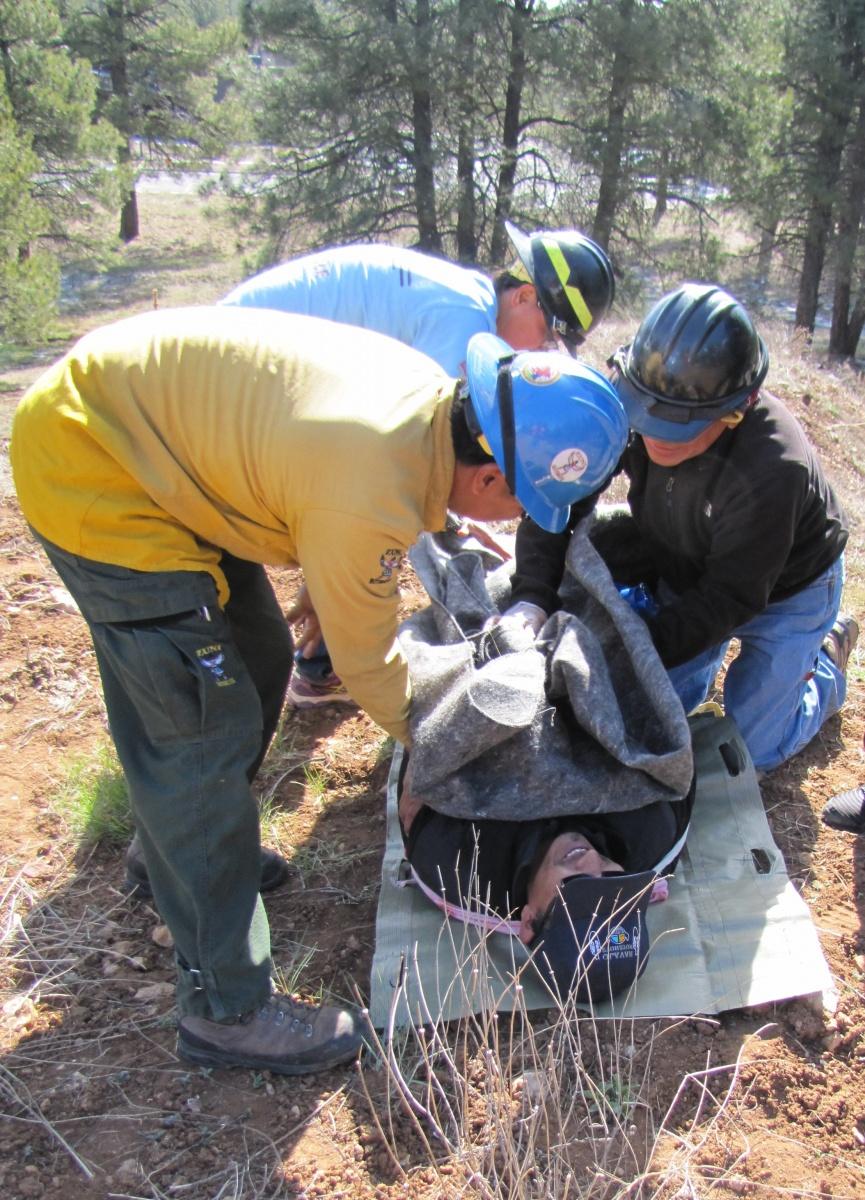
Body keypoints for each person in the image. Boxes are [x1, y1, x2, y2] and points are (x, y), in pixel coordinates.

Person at [10, 306, 627, 1075]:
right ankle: (225, 1008)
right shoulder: (366, 491)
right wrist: (463, 750)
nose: (518, 523)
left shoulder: (427, 407)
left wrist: (322, 563)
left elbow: (298, 456)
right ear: (491, 474)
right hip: (99, 465)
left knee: (261, 652)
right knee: (202, 723)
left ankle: (169, 850)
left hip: (157, 439)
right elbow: (371, 674)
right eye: (524, 505)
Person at [221, 226, 616, 707]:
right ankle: (324, 664)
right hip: (240, 380)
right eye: (549, 333)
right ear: (526, 296)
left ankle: (322, 660)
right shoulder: (461, 326)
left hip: (260, 377)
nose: (540, 351)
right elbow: (398, 467)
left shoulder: (466, 301)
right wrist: (334, 581)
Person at [508, 283, 855, 773]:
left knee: (750, 751)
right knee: (646, 715)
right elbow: (561, 490)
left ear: (736, 411)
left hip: (788, 589)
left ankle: (823, 665)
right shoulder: (627, 395)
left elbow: (728, 599)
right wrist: (532, 596)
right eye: (645, 412)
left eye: (676, 424)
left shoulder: (774, 467)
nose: (652, 433)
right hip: (686, 561)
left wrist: (636, 650)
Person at [398, 763, 694, 1003]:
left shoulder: (458, 860)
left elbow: (424, 754)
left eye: (577, 885)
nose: (591, 860)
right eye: (614, 879)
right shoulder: (647, 832)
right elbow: (678, 759)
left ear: (528, 921)